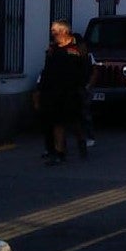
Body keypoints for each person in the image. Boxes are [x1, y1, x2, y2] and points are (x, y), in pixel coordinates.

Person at [37, 20, 93, 165]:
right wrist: (41, 89)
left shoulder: (78, 48)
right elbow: (46, 70)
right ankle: (59, 152)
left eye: (54, 30)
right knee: (57, 122)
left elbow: (86, 69)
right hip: (54, 91)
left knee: (75, 122)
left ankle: (81, 141)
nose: (52, 33)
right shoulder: (53, 49)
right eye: (52, 31)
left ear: (64, 31)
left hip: (72, 91)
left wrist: (83, 86)